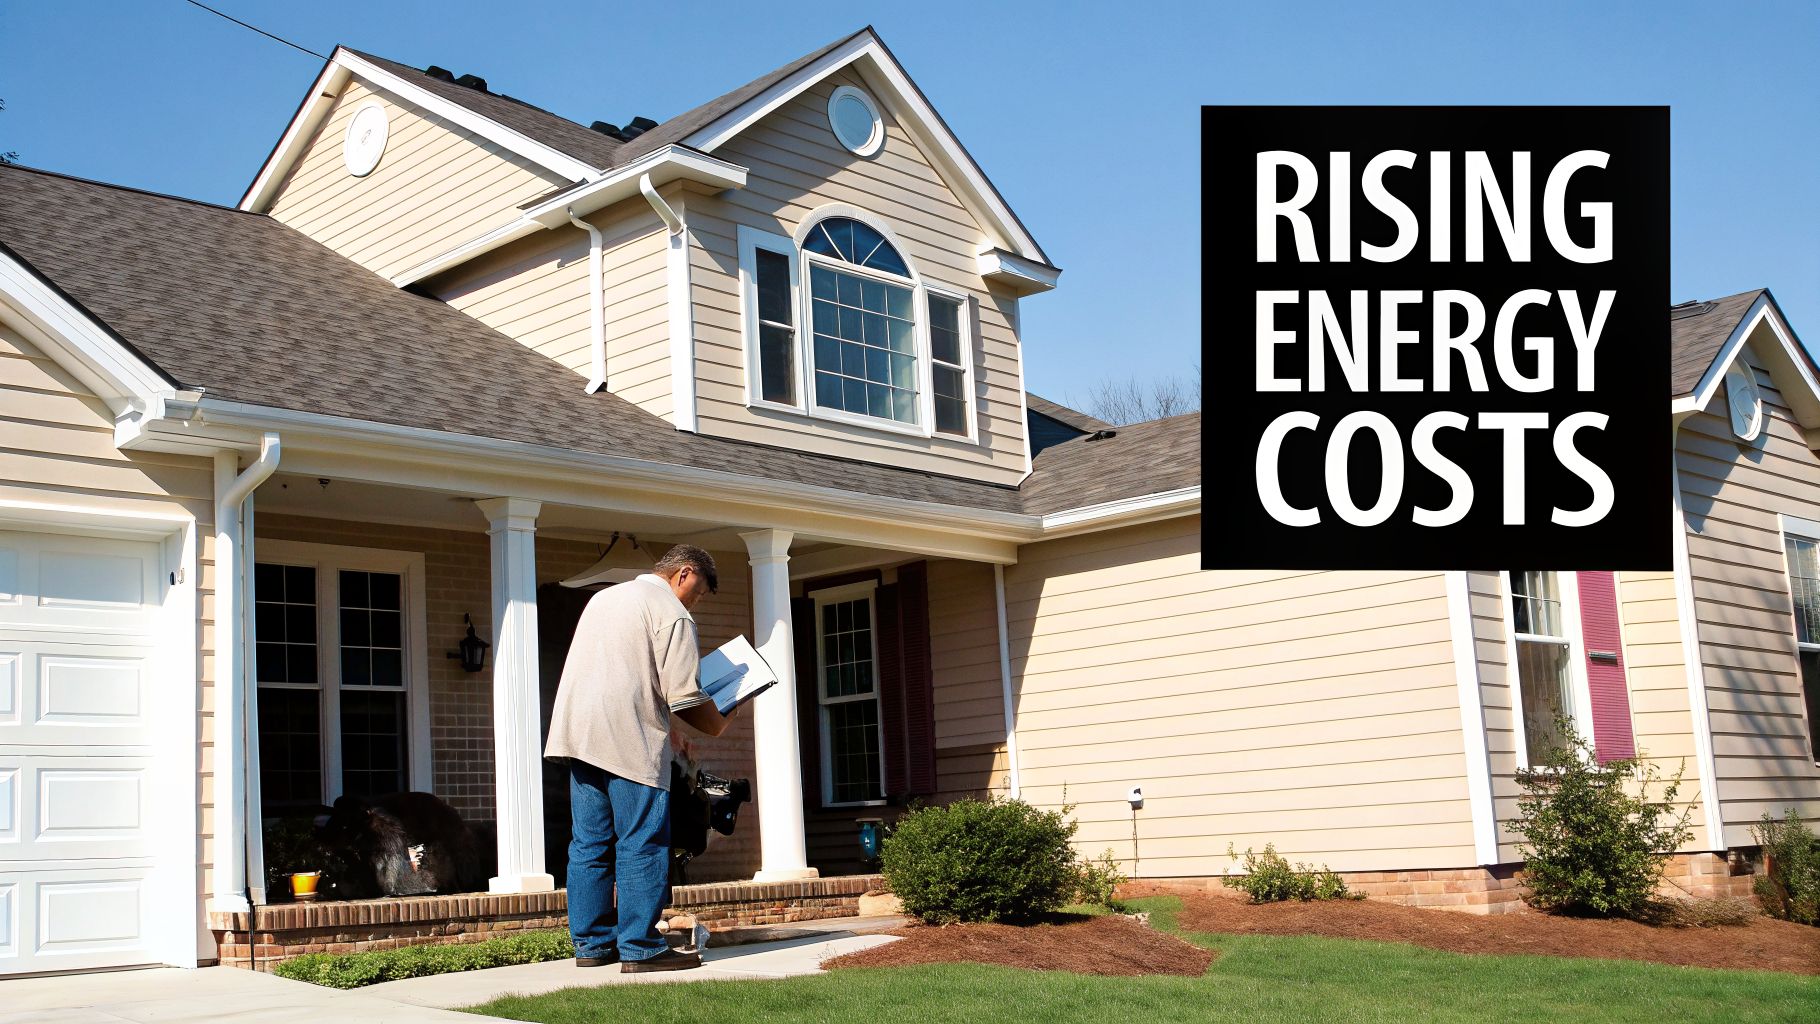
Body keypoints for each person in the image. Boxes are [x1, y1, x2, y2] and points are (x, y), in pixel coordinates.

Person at [544, 544, 732, 973]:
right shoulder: (671, 612)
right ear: (684, 575)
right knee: (642, 842)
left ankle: (591, 945)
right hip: (628, 737)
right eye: (698, 592)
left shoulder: (603, 598)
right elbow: (684, 697)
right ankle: (641, 948)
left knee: (589, 844)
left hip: (578, 734)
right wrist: (722, 719)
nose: (695, 602)